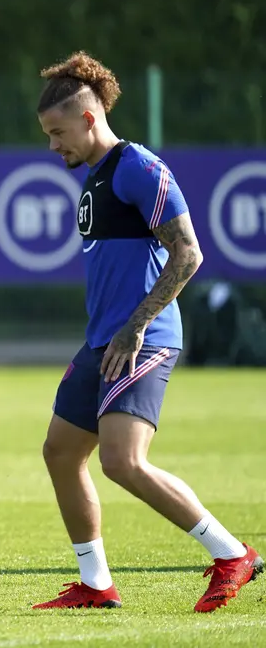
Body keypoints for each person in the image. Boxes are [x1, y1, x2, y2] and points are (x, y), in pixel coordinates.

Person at [31, 51, 262, 612]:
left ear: (88, 118)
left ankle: (232, 555)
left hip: (144, 337)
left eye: (58, 132)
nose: (53, 145)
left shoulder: (138, 167)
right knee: (61, 452)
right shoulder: (96, 177)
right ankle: (96, 583)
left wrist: (136, 327)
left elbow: (188, 254)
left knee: (122, 461)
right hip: (103, 341)